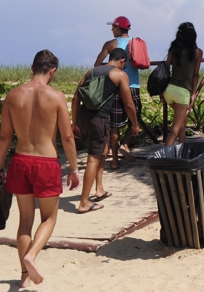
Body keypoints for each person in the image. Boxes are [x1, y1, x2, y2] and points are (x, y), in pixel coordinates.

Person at [0, 49, 80, 288]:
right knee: (50, 217)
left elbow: (4, 137)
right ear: (52, 71)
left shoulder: (13, 96)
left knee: (24, 221)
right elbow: (67, 136)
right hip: (45, 163)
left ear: (32, 68)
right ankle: (32, 255)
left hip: (20, 161)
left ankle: (24, 277)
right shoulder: (56, 96)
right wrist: (74, 168)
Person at [72, 48, 139, 214]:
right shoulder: (120, 75)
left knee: (104, 149)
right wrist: (134, 124)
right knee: (93, 158)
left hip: (84, 116)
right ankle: (84, 202)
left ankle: (99, 188)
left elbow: (75, 98)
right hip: (99, 119)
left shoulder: (91, 72)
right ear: (122, 61)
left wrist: (75, 123)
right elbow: (129, 104)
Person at [94, 16, 142, 169]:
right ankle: (126, 144)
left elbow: (97, 64)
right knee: (135, 117)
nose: (111, 30)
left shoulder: (110, 44)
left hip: (114, 86)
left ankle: (114, 161)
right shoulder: (136, 42)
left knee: (114, 125)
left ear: (117, 27)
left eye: (113, 27)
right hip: (133, 84)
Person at [163, 22, 203, 146]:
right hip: (183, 91)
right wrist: (193, 94)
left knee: (182, 121)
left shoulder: (174, 49)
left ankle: (181, 150)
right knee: (175, 128)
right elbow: (195, 75)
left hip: (168, 90)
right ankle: (163, 156)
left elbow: (165, 69)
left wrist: (161, 90)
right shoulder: (197, 52)